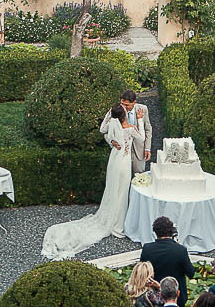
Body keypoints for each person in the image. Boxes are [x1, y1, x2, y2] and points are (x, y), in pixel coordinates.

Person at [42, 103, 141, 259]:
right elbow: (140, 138)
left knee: (112, 190)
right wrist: (140, 120)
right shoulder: (130, 128)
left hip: (114, 160)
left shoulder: (113, 125)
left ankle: (111, 218)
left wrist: (109, 114)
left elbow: (102, 129)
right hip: (123, 164)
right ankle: (117, 225)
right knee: (121, 193)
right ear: (124, 116)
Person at [141, 217, 193, 306]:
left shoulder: (147, 249)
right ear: (171, 231)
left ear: (155, 232)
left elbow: (143, 272)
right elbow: (191, 273)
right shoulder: (180, 250)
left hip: (153, 296)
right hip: (176, 297)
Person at [102, 89, 154, 174]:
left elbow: (148, 129)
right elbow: (105, 131)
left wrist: (147, 148)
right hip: (121, 154)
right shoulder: (117, 111)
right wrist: (111, 141)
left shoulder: (143, 109)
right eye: (122, 104)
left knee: (139, 178)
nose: (124, 107)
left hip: (139, 152)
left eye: (127, 105)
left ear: (134, 102)